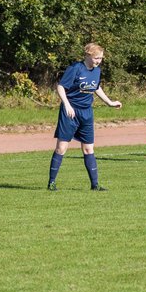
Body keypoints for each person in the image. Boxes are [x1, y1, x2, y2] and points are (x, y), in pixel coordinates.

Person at [48, 43, 122, 191]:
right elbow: (61, 87)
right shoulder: (75, 68)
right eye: (96, 58)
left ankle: (95, 185)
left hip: (87, 113)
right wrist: (67, 105)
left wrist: (109, 102)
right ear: (88, 55)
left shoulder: (97, 71)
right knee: (61, 148)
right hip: (71, 112)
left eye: (101, 58)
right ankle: (51, 183)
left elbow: (96, 87)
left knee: (89, 149)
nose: (99, 61)